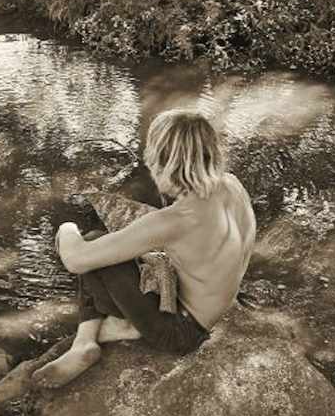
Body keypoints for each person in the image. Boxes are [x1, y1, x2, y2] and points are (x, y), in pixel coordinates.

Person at [32, 110, 256, 388]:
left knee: (90, 241)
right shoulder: (232, 186)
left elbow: (76, 261)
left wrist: (66, 228)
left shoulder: (177, 219)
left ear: (165, 163)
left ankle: (97, 337)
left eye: (154, 160)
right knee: (121, 252)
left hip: (180, 332)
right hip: (211, 310)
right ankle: (90, 340)